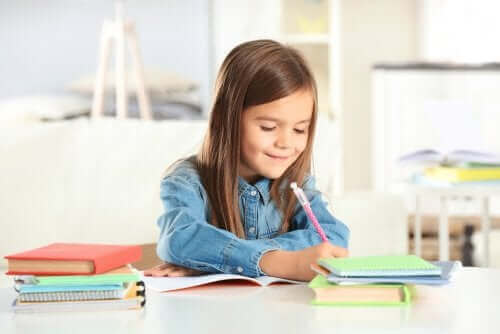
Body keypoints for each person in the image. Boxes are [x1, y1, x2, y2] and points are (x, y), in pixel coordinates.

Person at [144, 40, 349, 281]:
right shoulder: (186, 181)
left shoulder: (297, 186)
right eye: (269, 127)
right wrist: (277, 261)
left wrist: (216, 260)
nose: (285, 142)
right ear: (225, 118)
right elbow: (179, 238)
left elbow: (333, 238)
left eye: (299, 129)